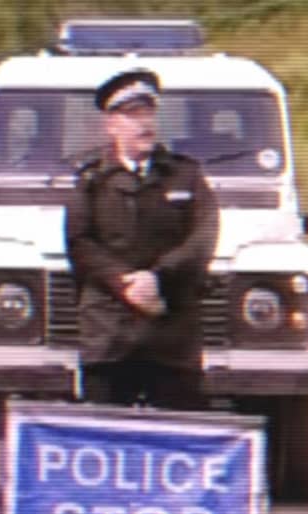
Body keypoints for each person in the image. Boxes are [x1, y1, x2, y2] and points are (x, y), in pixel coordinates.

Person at [66, 68, 219, 409]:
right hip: (109, 338)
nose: (144, 123)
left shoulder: (186, 175)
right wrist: (124, 283)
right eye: (132, 114)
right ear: (111, 125)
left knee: (180, 436)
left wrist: (158, 276)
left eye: (148, 112)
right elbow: (79, 243)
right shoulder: (92, 180)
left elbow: (204, 236)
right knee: (103, 435)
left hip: (172, 338)